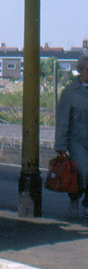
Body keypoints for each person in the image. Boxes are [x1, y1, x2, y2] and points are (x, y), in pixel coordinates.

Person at [54, 54, 88, 217]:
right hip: (78, 141)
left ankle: (87, 202)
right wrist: (60, 146)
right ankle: (74, 198)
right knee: (83, 171)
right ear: (81, 70)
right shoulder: (70, 92)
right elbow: (62, 120)